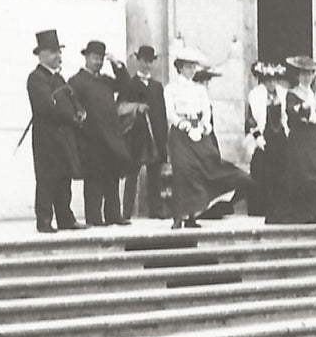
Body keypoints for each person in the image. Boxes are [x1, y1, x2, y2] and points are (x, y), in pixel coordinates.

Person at [166, 46, 253, 229]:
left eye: (193, 66)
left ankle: (192, 216)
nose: (191, 70)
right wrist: (183, 124)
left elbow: (206, 110)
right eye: (188, 66)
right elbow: (170, 113)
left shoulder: (199, 89)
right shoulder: (171, 89)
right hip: (180, 134)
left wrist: (204, 125)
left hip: (199, 132)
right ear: (180, 67)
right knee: (183, 171)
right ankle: (178, 216)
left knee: (204, 168)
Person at [266, 56, 316, 225]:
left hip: (314, 139)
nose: (306, 77)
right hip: (299, 139)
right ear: (298, 76)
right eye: (303, 74)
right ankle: (299, 213)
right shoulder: (292, 95)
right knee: (300, 174)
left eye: (309, 74)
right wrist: (306, 106)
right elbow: (292, 115)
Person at [24, 28, 85, 233]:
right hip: (46, 138)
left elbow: (71, 100)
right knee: (47, 177)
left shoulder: (60, 79)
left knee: (64, 177)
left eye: (59, 51)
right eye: (52, 52)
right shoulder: (35, 78)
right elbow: (48, 107)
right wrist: (71, 117)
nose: (57, 56)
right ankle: (44, 221)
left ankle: (65, 219)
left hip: (64, 136)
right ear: (40, 54)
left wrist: (79, 111)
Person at [68, 39, 133, 226]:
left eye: (101, 59)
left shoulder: (105, 81)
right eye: (95, 58)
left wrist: (117, 65)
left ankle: (114, 215)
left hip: (110, 138)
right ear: (86, 57)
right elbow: (74, 106)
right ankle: (94, 218)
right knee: (94, 180)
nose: (98, 62)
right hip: (91, 139)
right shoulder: (76, 81)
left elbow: (127, 88)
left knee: (112, 178)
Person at [119, 44, 168, 221]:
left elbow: (162, 114)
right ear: (138, 61)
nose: (147, 65)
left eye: (150, 61)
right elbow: (120, 108)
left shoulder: (157, 86)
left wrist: (163, 139)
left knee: (154, 175)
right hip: (136, 136)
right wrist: (136, 108)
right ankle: (126, 212)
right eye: (144, 61)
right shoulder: (129, 84)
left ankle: (156, 210)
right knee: (132, 174)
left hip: (154, 136)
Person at [243, 61, 287, 217]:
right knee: (262, 172)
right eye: (269, 80)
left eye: (274, 80)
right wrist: (257, 136)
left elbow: (285, 117)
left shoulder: (282, 94)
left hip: (279, 137)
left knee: (279, 171)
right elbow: (250, 120)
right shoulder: (255, 96)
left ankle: (277, 207)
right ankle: (259, 208)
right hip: (263, 137)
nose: (272, 84)